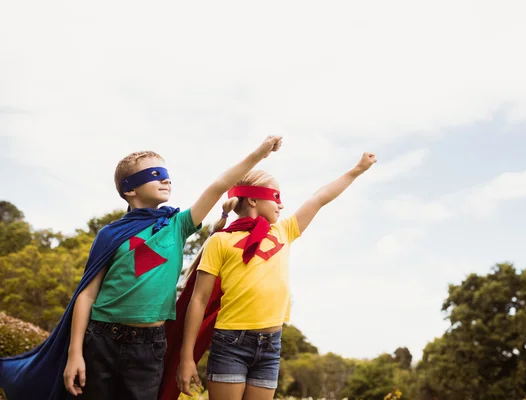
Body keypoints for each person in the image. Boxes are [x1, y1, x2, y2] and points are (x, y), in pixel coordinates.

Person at [0, 136, 282, 400]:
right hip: (101, 340)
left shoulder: (178, 225)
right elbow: (86, 295)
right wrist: (75, 354)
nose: (166, 179)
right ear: (130, 189)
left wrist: (259, 154)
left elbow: (219, 185)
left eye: (167, 174)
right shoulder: (110, 235)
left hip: (150, 346)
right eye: (155, 175)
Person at [175, 152, 377, 400]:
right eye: (276, 197)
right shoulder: (221, 240)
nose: (281, 205)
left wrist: (356, 170)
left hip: (270, 345)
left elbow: (319, 198)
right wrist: (186, 358)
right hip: (230, 344)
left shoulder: (284, 231)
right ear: (252, 200)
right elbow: (199, 299)